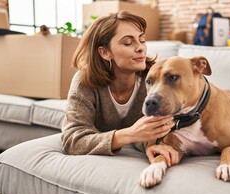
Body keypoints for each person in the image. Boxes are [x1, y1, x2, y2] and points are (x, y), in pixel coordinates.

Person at [61, 11, 179, 166]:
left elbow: (156, 128)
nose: (140, 48)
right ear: (105, 52)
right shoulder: (84, 81)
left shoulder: (154, 80)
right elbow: (72, 140)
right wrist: (129, 135)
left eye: (142, 40)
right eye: (128, 43)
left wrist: (151, 144)